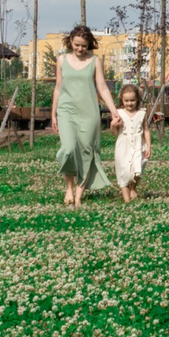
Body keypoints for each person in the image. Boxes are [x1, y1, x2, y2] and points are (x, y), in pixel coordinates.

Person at [53, 25, 118, 206]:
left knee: (86, 152)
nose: (80, 49)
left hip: (89, 113)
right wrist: (54, 113)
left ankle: (78, 197)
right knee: (68, 149)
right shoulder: (61, 60)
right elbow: (58, 87)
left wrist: (113, 110)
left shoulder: (94, 60)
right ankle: (69, 187)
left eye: (84, 45)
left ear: (89, 44)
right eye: (77, 45)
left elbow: (102, 87)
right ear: (70, 42)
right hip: (66, 111)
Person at [110, 84, 151, 203]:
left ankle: (133, 188)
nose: (129, 103)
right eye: (126, 101)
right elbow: (115, 133)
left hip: (139, 145)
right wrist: (113, 125)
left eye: (132, 100)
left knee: (139, 168)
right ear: (122, 100)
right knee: (124, 172)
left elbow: (146, 130)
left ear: (137, 99)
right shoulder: (119, 113)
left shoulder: (142, 113)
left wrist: (148, 146)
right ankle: (126, 200)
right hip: (123, 146)